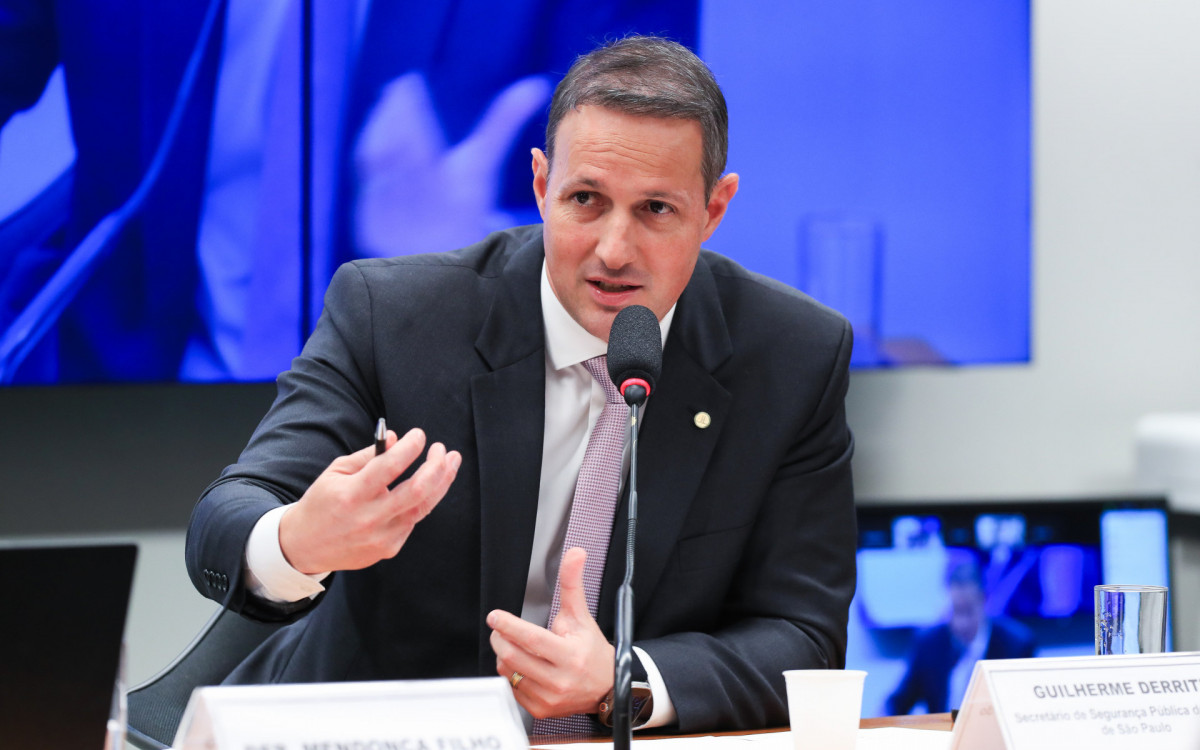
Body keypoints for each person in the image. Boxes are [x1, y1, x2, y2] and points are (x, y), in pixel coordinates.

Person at [186, 35, 856, 734]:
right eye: (586, 199)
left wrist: (622, 680)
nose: (614, 251)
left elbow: (804, 638)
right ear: (540, 185)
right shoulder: (395, 316)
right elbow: (226, 517)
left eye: (656, 209)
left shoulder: (792, 357)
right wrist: (299, 540)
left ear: (714, 209)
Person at [886, 557, 1036, 715]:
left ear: (984, 601)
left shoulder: (1016, 645)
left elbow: (1028, 706)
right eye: (956, 611)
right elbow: (897, 703)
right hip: (943, 729)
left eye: (968, 611)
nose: (961, 624)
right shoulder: (929, 643)